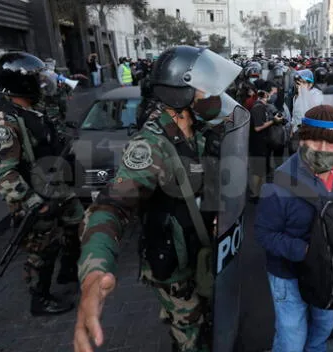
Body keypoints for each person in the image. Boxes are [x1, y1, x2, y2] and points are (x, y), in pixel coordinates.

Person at [73, 46, 241, 352]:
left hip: (199, 251)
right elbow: (111, 206)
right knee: (191, 338)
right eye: (207, 90)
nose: (215, 96)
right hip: (173, 264)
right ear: (181, 94)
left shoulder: (198, 132)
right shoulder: (151, 147)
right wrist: (94, 271)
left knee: (207, 322)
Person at [255, 105, 333, 352]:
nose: (323, 150)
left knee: (325, 321)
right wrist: (307, 251)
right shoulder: (279, 183)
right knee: (291, 336)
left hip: (331, 271)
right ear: (301, 139)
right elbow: (265, 234)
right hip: (288, 274)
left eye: (331, 144)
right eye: (314, 141)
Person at [0, 52, 83, 316]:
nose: (42, 84)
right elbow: (2, 173)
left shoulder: (34, 110)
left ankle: (69, 272)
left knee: (75, 226)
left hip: (58, 187)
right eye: (37, 79)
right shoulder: (2, 121)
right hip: (35, 196)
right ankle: (40, 298)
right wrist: (32, 203)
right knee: (42, 250)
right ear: (21, 83)